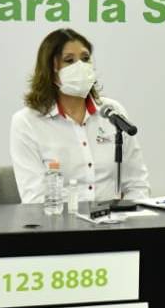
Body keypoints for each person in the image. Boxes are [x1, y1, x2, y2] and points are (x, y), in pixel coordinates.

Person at [10, 28, 150, 204]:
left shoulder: (112, 111)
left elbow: (137, 184)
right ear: (50, 69)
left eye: (85, 59)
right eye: (69, 60)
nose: (80, 67)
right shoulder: (27, 122)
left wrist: (128, 217)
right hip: (59, 220)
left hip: (114, 219)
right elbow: (35, 199)